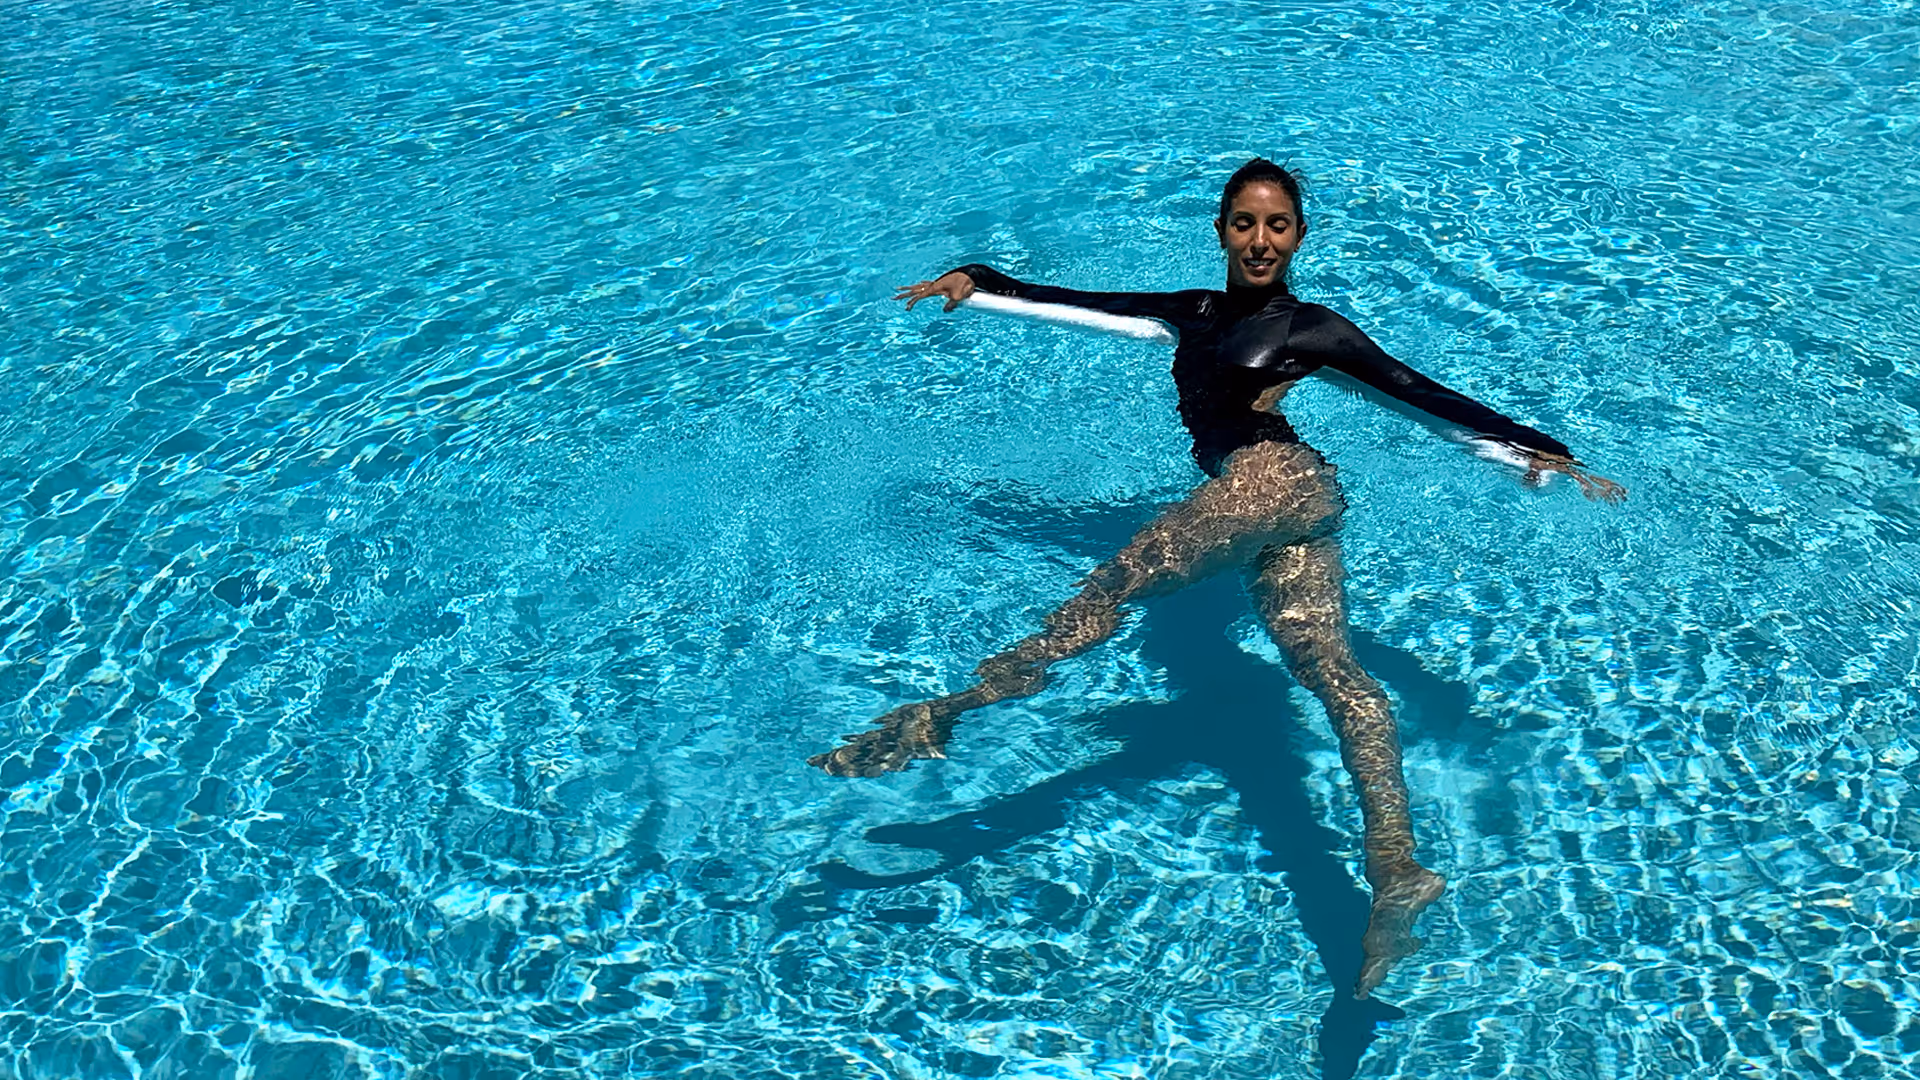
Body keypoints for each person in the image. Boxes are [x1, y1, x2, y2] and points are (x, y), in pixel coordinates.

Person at [808, 158, 1626, 999]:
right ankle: (1397, 867)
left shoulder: (1314, 328)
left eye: (1278, 224)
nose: (1261, 240)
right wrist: (978, 281)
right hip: (1292, 498)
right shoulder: (1191, 312)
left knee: (1107, 593)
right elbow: (1075, 303)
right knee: (1334, 675)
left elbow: (1419, 394)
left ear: (1300, 235)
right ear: (1220, 230)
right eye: (1245, 222)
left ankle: (943, 714)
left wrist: (1538, 449)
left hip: (1268, 483)